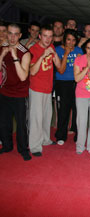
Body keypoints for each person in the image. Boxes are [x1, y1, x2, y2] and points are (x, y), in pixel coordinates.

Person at [0, 23, 31, 161]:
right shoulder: (2, 47)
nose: (12, 37)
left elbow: (23, 76)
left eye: (15, 34)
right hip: (4, 91)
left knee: (20, 124)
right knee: (4, 122)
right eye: (10, 33)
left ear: (20, 36)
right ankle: (7, 146)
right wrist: (2, 55)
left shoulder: (24, 52)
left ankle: (23, 149)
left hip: (19, 93)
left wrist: (14, 57)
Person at [29, 24, 61, 156]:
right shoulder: (34, 49)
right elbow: (32, 71)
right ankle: (35, 146)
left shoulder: (51, 47)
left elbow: (59, 67)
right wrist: (43, 56)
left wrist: (54, 55)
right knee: (36, 118)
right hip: (36, 88)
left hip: (48, 88)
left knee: (47, 117)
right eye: (45, 36)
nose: (48, 39)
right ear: (40, 36)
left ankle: (45, 139)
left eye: (50, 36)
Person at [55, 29, 83, 145]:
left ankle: (78, 134)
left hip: (76, 82)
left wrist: (79, 59)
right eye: (68, 40)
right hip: (63, 83)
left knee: (78, 110)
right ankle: (61, 135)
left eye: (73, 40)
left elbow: (83, 68)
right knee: (64, 110)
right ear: (64, 40)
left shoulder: (79, 50)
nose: (71, 43)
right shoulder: (58, 50)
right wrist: (66, 54)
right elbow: (61, 70)